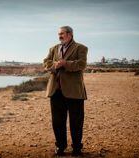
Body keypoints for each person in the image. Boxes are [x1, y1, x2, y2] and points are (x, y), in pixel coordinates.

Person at [43, 26, 88, 156]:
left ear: (70, 34)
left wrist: (65, 63)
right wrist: (53, 65)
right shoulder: (53, 48)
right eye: (58, 34)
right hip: (56, 90)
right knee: (57, 121)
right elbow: (46, 62)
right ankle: (60, 147)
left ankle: (77, 148)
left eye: (62, 33)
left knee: (76, 121)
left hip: (74, 91)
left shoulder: (81, 48)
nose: (59, 36)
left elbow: (81, 64)